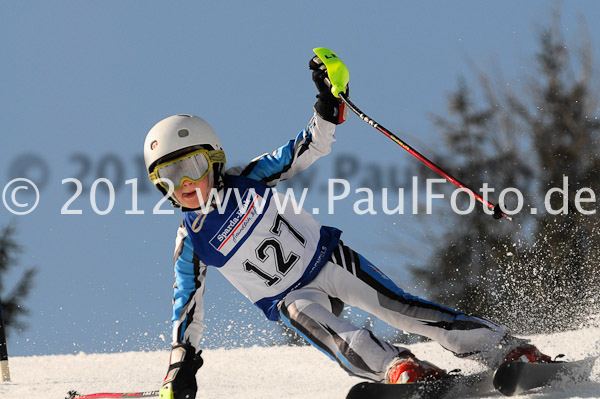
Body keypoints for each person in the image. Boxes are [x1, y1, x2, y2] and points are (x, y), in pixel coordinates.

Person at [144, 49, 550, 399]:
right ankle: (400, 370)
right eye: (167, 178)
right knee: (338, 339)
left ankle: (508, 348)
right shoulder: (191, 243)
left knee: (401, 309)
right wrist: (181, 366)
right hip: (290, 300)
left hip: (327, 259)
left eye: (191, 167)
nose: (183, 184)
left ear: (212, 159)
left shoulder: (246, 178)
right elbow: (186, 309)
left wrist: (327, 104)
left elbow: (307, 147)